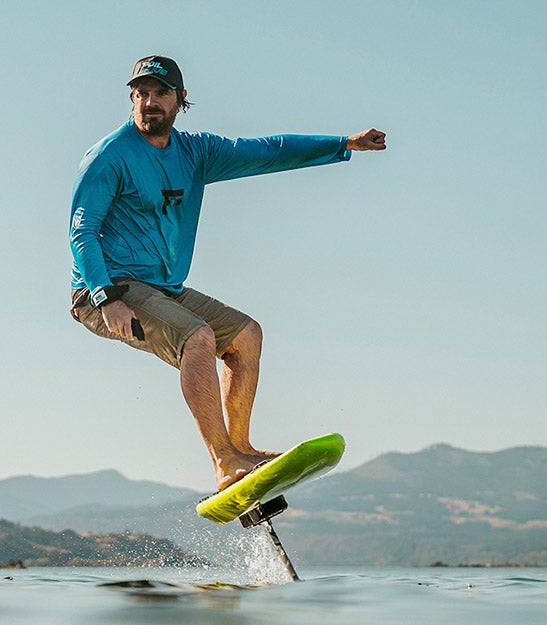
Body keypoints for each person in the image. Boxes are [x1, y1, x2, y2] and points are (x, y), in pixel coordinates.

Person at [69, 55, 387, 490]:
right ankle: (223, 460)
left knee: (245, 335)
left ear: (181, 99)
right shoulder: (110, 156)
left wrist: (344, 143)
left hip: (162, 288)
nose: (149, 102)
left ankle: (240, 449)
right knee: (197, 338)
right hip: (108, 289)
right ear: (132, 99)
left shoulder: (195, 153)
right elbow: (82, 231)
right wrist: (106, 297)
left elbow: (268, 151)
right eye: (141, 94)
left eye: (160, 93)